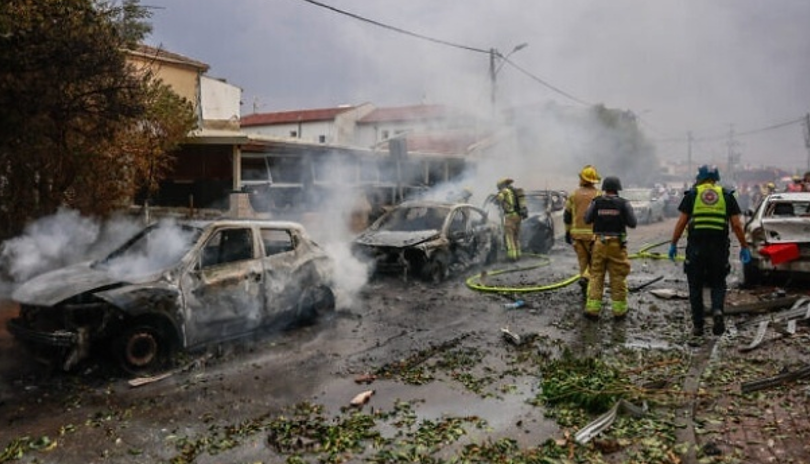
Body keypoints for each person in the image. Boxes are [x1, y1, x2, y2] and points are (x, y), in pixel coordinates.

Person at [668, 165, 751, 341]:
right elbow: (736, 225)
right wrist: (744, 246)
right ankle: (717, 310)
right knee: (718, 282)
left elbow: (682, 222)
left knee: (695, 285)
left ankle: (698, 325)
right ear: (716, 178)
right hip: (719, 247)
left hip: (697, 247)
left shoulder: (692, 194)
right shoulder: (727, 195)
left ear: (701, 177)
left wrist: (674, 244)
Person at [582, 176, 637, 319]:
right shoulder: (624, 204)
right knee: (618, 276)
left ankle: (593, 310)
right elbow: (632, 223)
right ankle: (619, 311)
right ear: (618, 189)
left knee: (596, 275)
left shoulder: (596, 202)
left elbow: (587, 219)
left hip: (599, 244)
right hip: (617, 245)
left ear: (604, 188)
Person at [564, 165, 601, 294]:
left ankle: (585, 286)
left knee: (583, 261)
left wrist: (567, 232)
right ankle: (588, 281)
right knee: (595, 262)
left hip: (577, 235)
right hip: (593, 236)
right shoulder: (598, 195)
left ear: (583, 179)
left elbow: (567, 215)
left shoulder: (574, 195)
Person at [495, 177, 522, 261]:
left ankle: (512, 257)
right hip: (518, 216)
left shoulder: (505, 191)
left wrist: (497, 198)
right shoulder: (514, 191)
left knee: (509, 237)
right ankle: (518, 255)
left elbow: (498, 198)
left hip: (510, 217)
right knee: (516, 237)